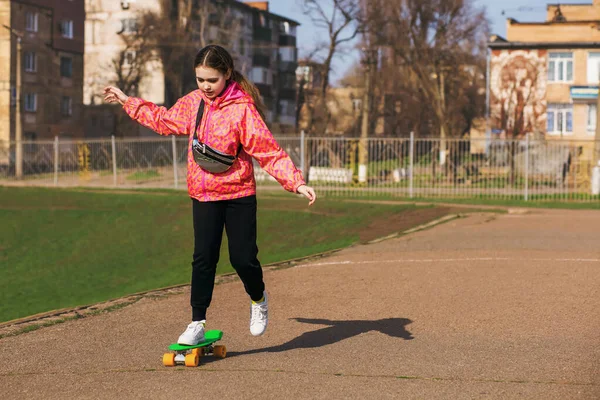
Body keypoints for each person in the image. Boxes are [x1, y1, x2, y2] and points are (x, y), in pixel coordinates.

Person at [103, 45, 316, 345]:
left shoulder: (242, 109)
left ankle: (259, 299)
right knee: (203, 259)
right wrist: (128, 102)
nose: (205, 86)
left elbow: (268, 151)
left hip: (238, 193)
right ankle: (197, 322)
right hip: (203, 194)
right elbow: (164, 121)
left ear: (227, 75)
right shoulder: (193, 103)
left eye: (211, 80)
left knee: (243, 259)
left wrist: (296, 182)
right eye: (200, 79)